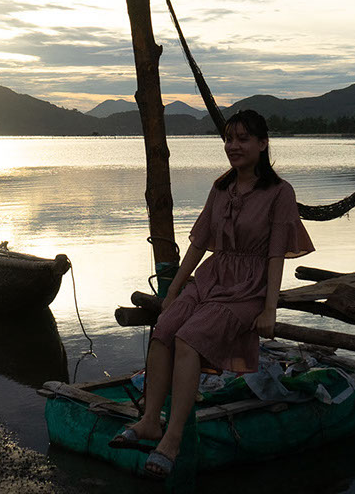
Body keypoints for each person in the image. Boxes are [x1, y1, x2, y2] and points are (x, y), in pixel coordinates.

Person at [110, 110, 313, 479]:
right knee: (164, 330)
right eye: (229, 139)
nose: (233, 146)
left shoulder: (279, 192)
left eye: (243, 139)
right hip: (212, 276)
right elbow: (199, 244)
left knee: (190, 338)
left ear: (263, 143)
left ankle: (172, 440)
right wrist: (173, 291)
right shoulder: (221, 189)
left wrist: (269, 309)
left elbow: (275, 255)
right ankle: (151, 420)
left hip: (248, 286)